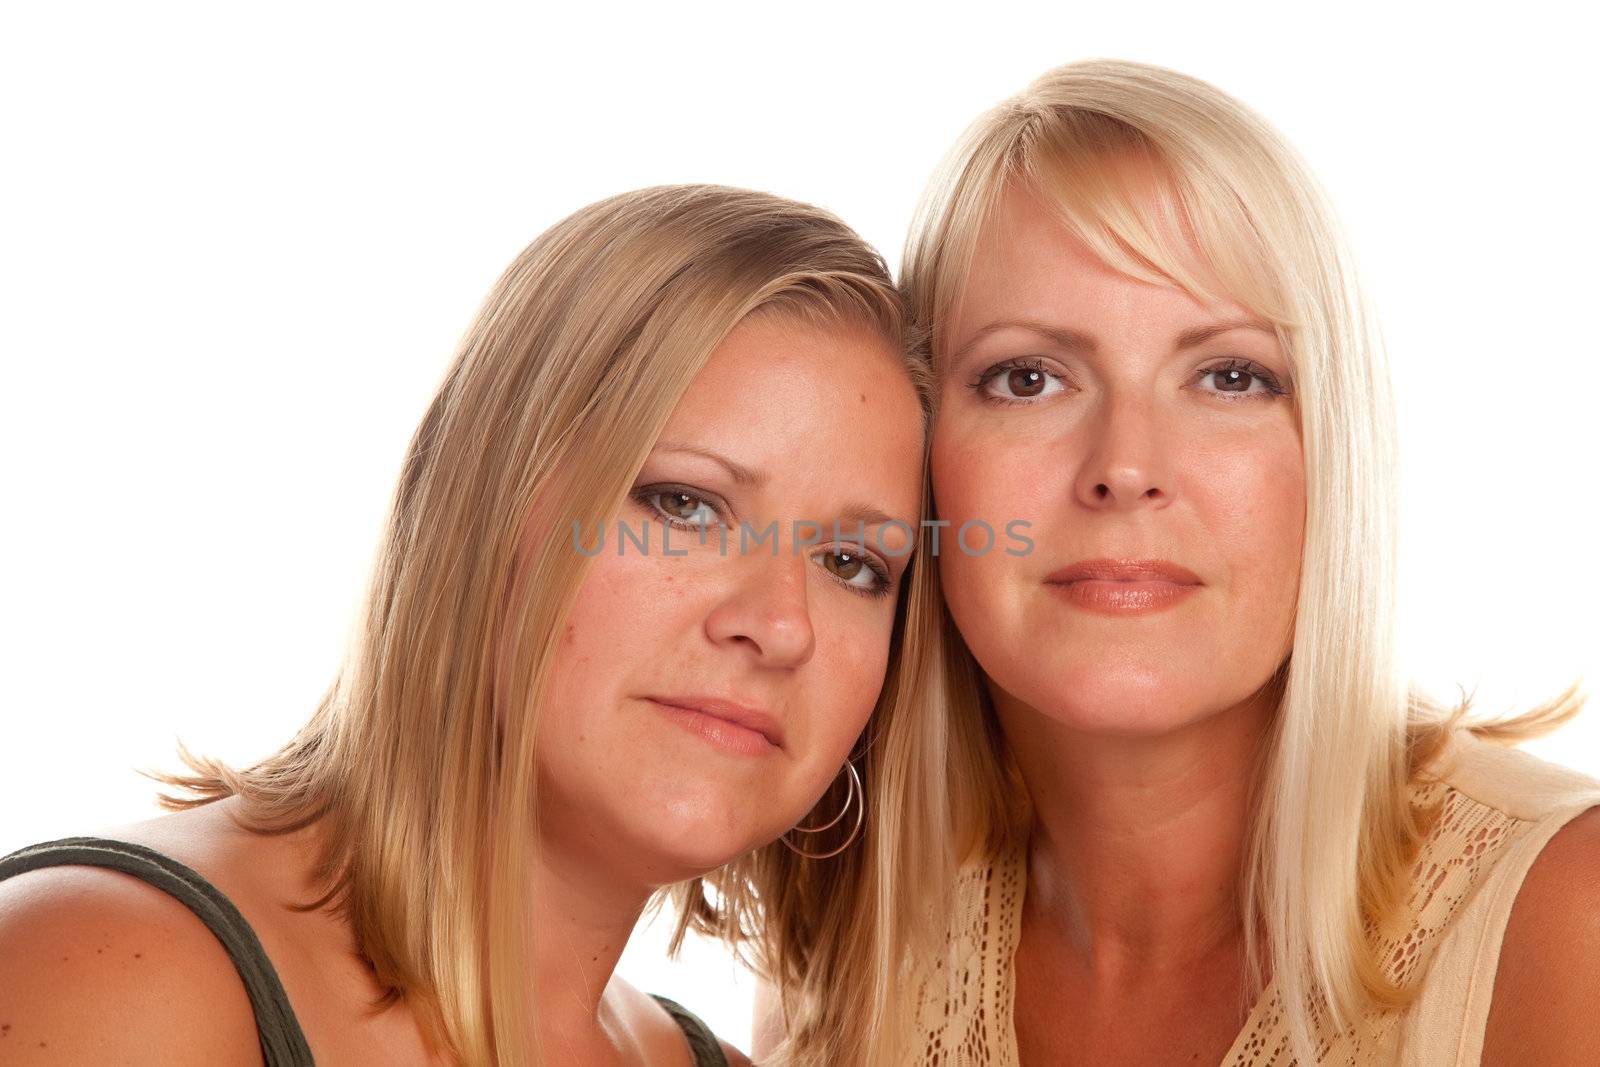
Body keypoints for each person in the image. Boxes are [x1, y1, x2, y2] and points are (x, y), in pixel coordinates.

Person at [758, 60, 1600, 1065]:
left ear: (1333, 448)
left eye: (1228, 375)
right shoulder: (848, 943)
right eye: (1028, 378)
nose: (1124, 466)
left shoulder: (1563, 917)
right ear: (920, 453)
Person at [0, 184, 945, 1066]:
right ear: (482, 502)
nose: (781, 627)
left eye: (853, 564)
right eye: (685, 505)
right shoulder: (107, 975)